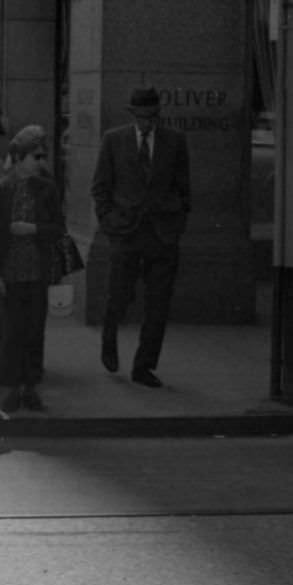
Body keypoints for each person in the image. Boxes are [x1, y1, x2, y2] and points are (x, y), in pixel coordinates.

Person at [91, 85, 191, 388]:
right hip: (126, 231)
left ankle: (144, 366)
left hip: (162, 234)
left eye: (152, 117)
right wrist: (109, 222)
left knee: (158, 303)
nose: (147, 123)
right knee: (118, 296)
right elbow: (101, 186)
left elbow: (184, 187)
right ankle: (109, 338)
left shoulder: (174, 141)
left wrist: (176, 222)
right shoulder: (114, 140)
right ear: (133, 115)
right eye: (142, 117)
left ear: (158, 114)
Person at [0, 126, 64, 413]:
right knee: (10, 332)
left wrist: (33, 229)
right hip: (9, 272)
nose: (42, 162)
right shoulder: (0, 191)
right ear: (19, 158)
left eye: (44, 156)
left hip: (36, 270)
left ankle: (31, 386)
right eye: (37, 156)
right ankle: (11, 387)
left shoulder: (47, 190)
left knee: (34, 330)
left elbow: (58, 228)